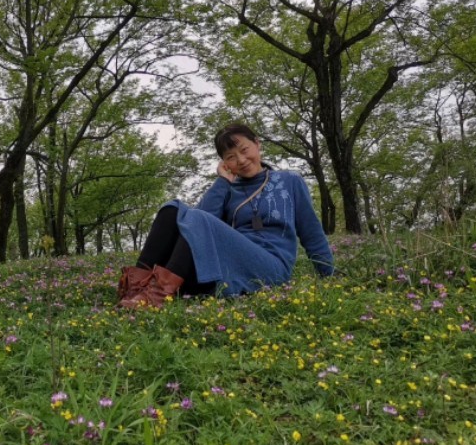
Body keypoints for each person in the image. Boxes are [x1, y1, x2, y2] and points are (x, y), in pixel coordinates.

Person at [117, 123, 334, 308]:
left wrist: (329, 277)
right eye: (231, 157)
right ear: (224, 163)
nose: (241, 160)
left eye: (244, 149)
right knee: (172, 209)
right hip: (230, 262)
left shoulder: (290, 181)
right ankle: (135, 289)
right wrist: (222, 182)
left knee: (195, 218)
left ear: (257, 144)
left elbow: (311, 232)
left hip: (271, 267)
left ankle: (156, 297)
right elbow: (194, 225)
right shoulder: (227, 188)